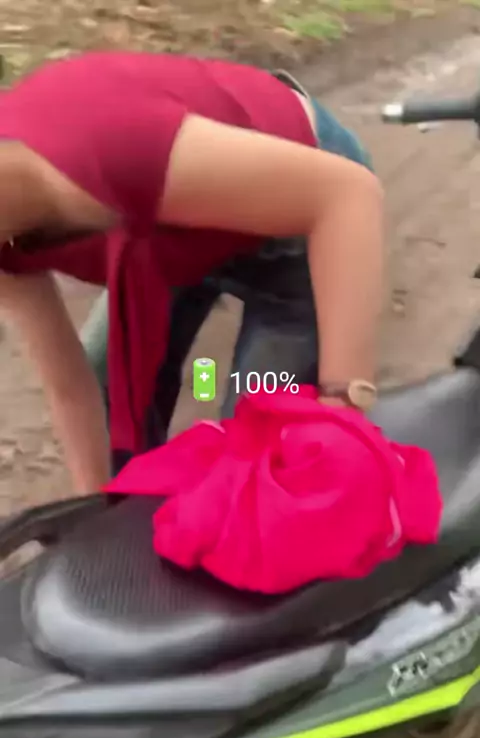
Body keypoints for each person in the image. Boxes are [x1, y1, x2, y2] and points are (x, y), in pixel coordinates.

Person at [0, 52, 384, 495]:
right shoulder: (10, 237)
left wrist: (343, 406)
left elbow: (349, 195)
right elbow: (70, 388)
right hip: (165, 234)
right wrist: (98, 512)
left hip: (304, 206)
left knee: (256, 449)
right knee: (107, 387)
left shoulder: (103, 144)